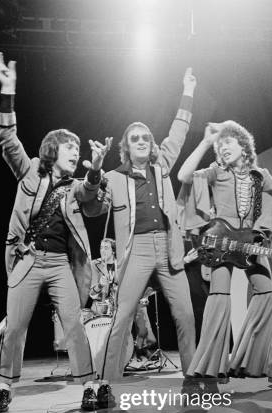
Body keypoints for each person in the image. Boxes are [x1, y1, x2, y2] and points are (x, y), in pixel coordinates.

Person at [0, 52, 112, 413]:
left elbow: (94, 202)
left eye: (78, 148)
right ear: (52, 149)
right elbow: (7, 138)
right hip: (27, 259)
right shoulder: (30, 172)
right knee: (14, 327)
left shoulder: (77, 185)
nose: (75, 151)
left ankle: (88, 386)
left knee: (74, 324)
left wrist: (95, 173)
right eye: (69, 146)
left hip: (61, 263)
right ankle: (5, 388)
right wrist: (8, 91)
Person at [177, 121, 272, 387]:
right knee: (219, 301)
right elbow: (184, 176)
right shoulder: (216, 171)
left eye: (228, 142)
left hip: (250, 243)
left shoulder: (259, 175)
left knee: (269, 299)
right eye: (220, 144)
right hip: (222, 244)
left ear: (243, 145)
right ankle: (211, 372)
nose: (223, 147)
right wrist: (205, 142)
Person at [100, 68, 198, 388]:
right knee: (122, 317)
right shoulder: (115, 177)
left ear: (151, 144)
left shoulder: (161, 166)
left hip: (168, 248)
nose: (141, 141)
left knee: (185, 315)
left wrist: (188, 92)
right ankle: (107, 383)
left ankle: (193, 378)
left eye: (146, 137)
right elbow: (93, 203)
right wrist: (91, 180)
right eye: (135, 138)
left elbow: (179, 132)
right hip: (137, 249)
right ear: (127, 147)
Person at [89, 238, 118, 316]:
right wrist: (100, 285)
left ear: (113, 251)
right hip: (99, 305)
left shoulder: (120, 265)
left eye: (106, 248)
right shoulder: (94, 264)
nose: (102, 250)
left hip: (117, 306)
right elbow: (92, 293)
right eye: (101, 247)